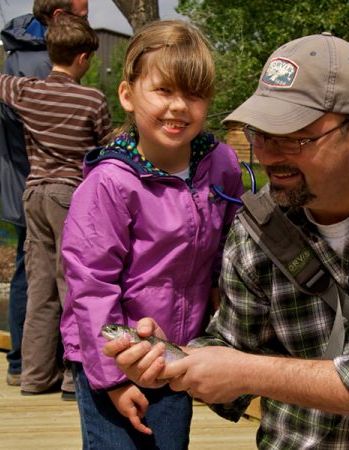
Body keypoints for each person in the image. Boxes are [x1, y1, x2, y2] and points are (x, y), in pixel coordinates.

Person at [104, 32, 349, 448]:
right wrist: (172, 359)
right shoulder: (257, 224)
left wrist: (245, 371)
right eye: (260, 132)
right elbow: (232, 350)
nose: (269, 155)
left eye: (293, 136)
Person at [60, 19, 244, 449]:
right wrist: (111, 380)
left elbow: (228, 249)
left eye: (193, 94)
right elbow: (90, 283)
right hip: (116, 358)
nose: (179, 107)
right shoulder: (109, 184)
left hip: (177, 354)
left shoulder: (222, 166)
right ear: (127, 95)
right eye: (163, 91)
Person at [0, 12, 112, 401]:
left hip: (33, 197)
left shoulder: (27, 91)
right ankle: (75, 378)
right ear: (84, 58)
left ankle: (35, 376)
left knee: (39, 289)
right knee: (73, 286)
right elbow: (106, 152)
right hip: (72, 199)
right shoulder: (92, 99)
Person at [0, 0, 89, 387]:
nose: (88, 21)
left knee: (31, 277)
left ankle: (26, 368)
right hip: (58, 188)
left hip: (26, 186)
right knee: (68, 278)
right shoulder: (45, 65)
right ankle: (72, 371)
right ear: (58, 19)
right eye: (82, 15)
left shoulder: (15, 55)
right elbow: (89, 144)